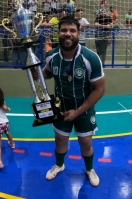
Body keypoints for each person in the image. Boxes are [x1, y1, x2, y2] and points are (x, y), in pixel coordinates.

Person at [31, 16, 105, 186]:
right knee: (59, 140)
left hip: (84, 110)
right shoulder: (51, 56)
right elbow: (49, 72)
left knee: (85, 143)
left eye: (72, 30)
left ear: (79, 33)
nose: (68, 34)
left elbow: (100, 89)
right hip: (60, 107)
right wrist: (41, 74)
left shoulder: (90, 58)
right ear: (59, 33)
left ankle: (89, 169)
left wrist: (78, 112)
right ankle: (59, 165)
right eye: (64, 30)